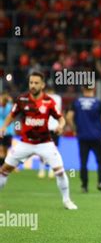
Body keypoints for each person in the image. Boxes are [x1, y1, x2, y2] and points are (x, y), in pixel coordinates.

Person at [0, 71, 77, 210]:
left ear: (42, 85)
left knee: (59, 171)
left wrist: (60, 126)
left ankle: (67, 201)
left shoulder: (49, 102)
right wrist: (3, 127)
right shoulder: (22, 100)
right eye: (31, 83)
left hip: (45, 143)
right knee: (4, 170)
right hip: (25, 143)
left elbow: (61, 118)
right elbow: (12, 115)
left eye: (36, 83)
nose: (33, 85)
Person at [67, 87, 101, 194]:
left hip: (83, 136)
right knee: (100, 160)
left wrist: (74, 129)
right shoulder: (98, 102)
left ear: (83, 89)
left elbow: (69, 117)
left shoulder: (77, 102)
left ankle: (84, 186)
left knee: (83, 162)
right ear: (93, 89)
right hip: (96, 136)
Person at [38, 86, 62, 179]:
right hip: (54, 127)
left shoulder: (42, 97)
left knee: (42, 149)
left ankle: (42, 170)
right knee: (53, 150)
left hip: (45, 127)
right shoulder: (58, 98)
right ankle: (51, 171)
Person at [0, 92, 14, 167]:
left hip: (6, 131)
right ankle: (2, 166)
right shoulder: (9, 106)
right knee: (2, 149)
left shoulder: (9, 107)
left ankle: (3, 166)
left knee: (4, 150)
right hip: (4, 131)